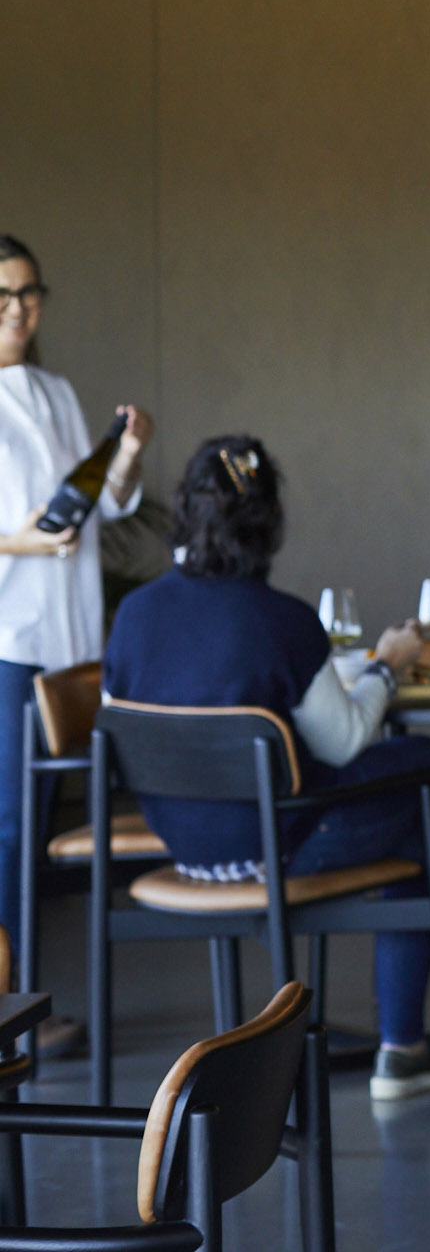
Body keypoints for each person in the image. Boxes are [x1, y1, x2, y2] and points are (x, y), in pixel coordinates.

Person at [104, 437, 430, 1102]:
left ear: (186, 511)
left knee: (405, 793)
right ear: (269, 522)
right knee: (422, 769)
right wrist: (386, 667)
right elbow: (343, 742)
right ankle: (407, 1035)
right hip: (278, 849)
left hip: (183, 845)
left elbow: (124, 731)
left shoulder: (134, 615)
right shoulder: (283, 621)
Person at [0, 233, 153, 971]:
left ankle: (26, 992)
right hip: (9, 637)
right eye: (3, 294)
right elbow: (24, 531)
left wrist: (127, 454)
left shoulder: (56, 391)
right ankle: (9, 999)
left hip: (70, 637)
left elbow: (102, 505)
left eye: (29, 292)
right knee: (8, 822)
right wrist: (19, 543)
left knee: (39, 820)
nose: (18, 308)